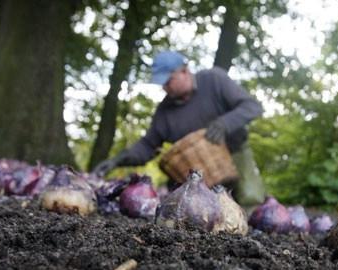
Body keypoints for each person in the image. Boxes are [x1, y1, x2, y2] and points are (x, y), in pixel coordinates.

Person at [93, 50, 265, 208]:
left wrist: (224, 123)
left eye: (169, 81)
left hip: (235, 153)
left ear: (184, 71)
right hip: (195, 173)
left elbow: (252, 107)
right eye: (162, 84)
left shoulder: (214, 80)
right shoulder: (164, 111)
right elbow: (148, 145)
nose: (165, 87)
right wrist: (118, 159)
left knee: (250, 198)